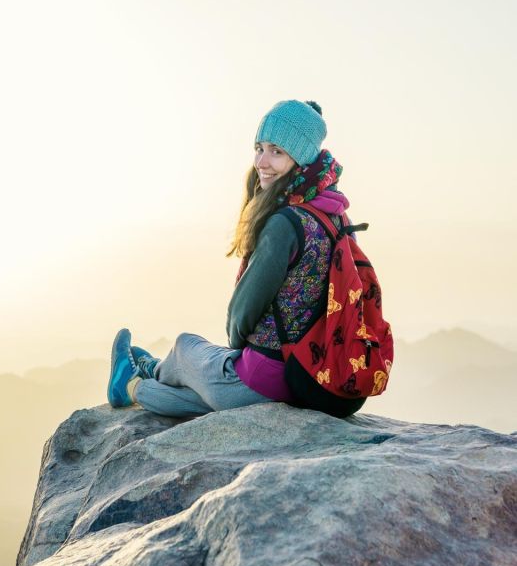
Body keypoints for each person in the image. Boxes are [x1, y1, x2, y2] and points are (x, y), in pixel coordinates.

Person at [107, 99, 366, 418]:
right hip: (308, 379)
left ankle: (143, 373)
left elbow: (241, 313)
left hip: (262, 376)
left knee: (186, 346)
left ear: (300, 159)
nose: (262, 161)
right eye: (260, 148)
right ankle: (133, 383)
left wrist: (231, 353)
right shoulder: (336, 218)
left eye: (277, 151)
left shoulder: (286, 223)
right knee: (203, 398)